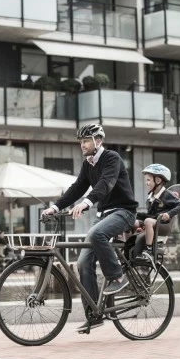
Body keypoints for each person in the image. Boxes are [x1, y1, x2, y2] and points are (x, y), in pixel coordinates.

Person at [42, 124, 138, 333]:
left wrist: (86, 203)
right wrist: (55, 207)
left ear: (98, 141)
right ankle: (93, 315)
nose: (82, 145)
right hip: (104, 215)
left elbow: (106, 183)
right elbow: (77, 188)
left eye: (85, 141)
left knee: (96, 233)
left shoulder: (111, 158)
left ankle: (118, 277)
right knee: (83, 262)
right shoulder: (88, 164)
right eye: (80, 142)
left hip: (123, 212)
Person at [133, 164, 180, 266]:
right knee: (131, 221)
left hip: (162, 223)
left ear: (158, 180)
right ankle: (128, 248)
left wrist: (169, 214)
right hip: (152, 220)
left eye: (148, 180)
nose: (146, 183)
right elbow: (149, 214)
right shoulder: (151, 197)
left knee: (148, 221)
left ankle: (148, 250)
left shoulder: (167, 194)